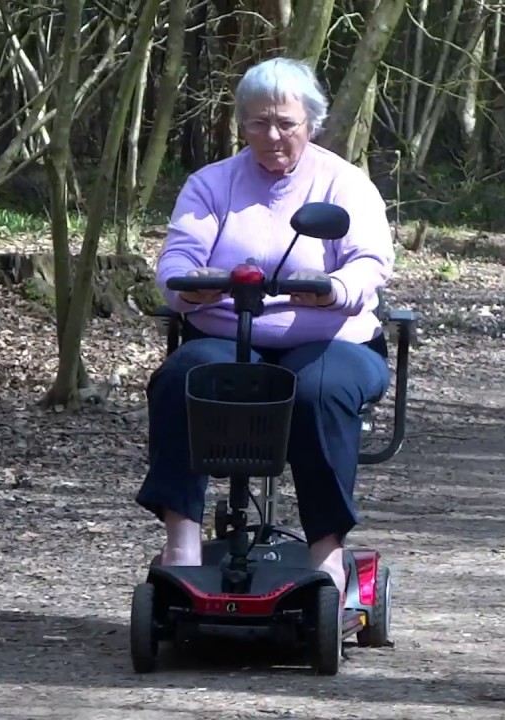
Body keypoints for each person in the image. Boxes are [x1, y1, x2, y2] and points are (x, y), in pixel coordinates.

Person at [136, 57, 395, 595]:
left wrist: (334, 287)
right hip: (229, 333)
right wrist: (191, 285)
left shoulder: (345, 184)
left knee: (316, 391)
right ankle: (182, 538)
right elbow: (176, 260)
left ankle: (327, 549)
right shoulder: (211, 185)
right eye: (258, 122)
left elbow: (370, 262)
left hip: (329, 339)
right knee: (186, 377)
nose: (272, 135)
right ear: (241, 123)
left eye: (285, 123)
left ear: (312, 123)